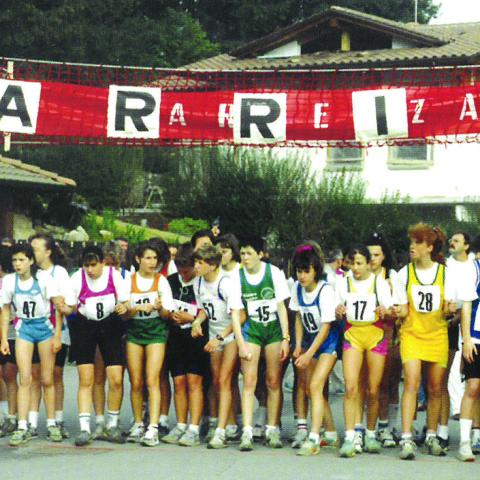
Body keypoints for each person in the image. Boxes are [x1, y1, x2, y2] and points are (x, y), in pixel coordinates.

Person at [393, 223, 456, 460]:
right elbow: (403, 309)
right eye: (411, 242)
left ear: (429, 247)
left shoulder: (445, 274)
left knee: (434, 387)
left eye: (418, 242)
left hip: (437, 335)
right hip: (411, 334)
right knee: (410, 382)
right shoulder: (403, 274)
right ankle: (407, 437)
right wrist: (395, 310)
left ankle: (431, 435)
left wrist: (450, 310)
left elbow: (449, 310)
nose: (412, 246)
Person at [0, 244, 64, 446]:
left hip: (44, 328)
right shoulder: (10, 281)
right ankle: (22, 425)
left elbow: (58, 306)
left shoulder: (43, 277)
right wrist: (3, 339)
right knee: (25, 378)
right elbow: (5, 310)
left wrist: (57, 335)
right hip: (24, 329)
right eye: (14, 260)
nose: (18, 264)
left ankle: (52, 422)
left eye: (21, 260)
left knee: (47, 378)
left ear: (30, 261)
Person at [232, 236, 290, 451]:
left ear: (260, 254)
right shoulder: (237, 277)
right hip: (252, 330)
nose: (244, 258)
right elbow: (236, 314)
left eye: (248, 253)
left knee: (273, 381)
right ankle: (247, 431)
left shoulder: (273, 273)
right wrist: (240, 343)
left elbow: (282, 307)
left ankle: (272, 428)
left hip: (273, 329)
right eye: (242, 254)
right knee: (249, 381)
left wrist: (286, 337)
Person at [335, 244, 393, 458]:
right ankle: (351, 435)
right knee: (351, 387)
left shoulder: (379, 283)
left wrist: (385, 311)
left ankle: (370, 432)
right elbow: (336, 309)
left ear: (370, 264)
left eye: (360, 263)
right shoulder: (344, 282)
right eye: (352, 263)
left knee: (373, 389)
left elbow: (390, 312)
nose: (355, 268)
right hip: (353, 336)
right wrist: (339, 310)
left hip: (375, 336)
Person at [69, 245, 130, 447]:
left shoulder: (114, 276)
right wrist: (63, 305)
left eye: (94, 265)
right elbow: (69, 305)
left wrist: (123, 307)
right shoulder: (78, 277)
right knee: (86, 378)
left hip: (110, 326)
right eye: (87, 265)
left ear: (103, 263)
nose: (90, 270)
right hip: (85, 327)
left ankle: (112, 424)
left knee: (115, 378)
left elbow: (126, 304)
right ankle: (86, 427)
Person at [289, 244, 340, 456]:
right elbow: (299, 317)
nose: (302, 276)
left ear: (316, 270)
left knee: (316, 384)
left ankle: (313, 437)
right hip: (309, 339)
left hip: (327, 341)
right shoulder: (297, 289)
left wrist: (310, 353)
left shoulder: (325, 290)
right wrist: (299, 345)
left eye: (306, 271)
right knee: (312, 389)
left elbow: (326, 326)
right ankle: (331, 433)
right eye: (299, 271)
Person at [192, 245, 243, 449]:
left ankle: (221, 430)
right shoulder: (198, 283)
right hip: (214, 334)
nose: (196, 266)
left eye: (200, 263)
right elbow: (205, 309)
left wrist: (220, 337)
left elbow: (240, 315)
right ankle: (228, 424)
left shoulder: (226, 283)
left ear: (212, 265)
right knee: (217, 381)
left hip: (229, 334)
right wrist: (197, 321)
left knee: (224, 380)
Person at [125, 242, 175, 447]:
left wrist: (160, 307)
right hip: (135, 331)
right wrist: (137, 307)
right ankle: (138, 423)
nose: (151, 262)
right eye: (147, 258)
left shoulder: (161, 281)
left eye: (154, 258)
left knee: (152, 379)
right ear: (138, 259)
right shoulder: (129, 281)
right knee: (136, 381)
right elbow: (124, 314)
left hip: (156, 332)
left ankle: (152, 427)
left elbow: (167, 314)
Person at [28, 233, 74, 439]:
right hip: (33, 333)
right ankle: (31, 421)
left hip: (57, 332)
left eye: (36, 248)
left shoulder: (60, 273)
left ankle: (57, 419)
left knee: (54, 376)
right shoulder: (29, 273)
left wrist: (60, 307)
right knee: (34, 376)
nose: (33, 252)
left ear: (48, 252)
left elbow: (66, 305)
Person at [163, 244, 208, 446]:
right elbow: (164, 308)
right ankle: (180, 424)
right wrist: (170, 315)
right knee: (179, 382)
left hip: (196, 338)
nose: (183, 273)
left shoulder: (202, 284)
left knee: (194, 382)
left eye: (187, 270)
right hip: (175, 338)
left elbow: (208, 312)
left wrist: (190, 318)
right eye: (180, 270)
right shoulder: (170, 282)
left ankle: (194, 428)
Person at [365, 233, 400, 448]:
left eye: (377, 254)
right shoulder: (357, 275)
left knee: (388, 383)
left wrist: (388, 311)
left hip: (388, 333)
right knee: (367, 384)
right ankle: (364, 426)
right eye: (369, 254)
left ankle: (387, 426)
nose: (373, 258)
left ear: (384, 256)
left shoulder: (391, 277)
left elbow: (398, 308)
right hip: (363, 334)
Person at [456, 252, 480, 461]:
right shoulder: (473, 269)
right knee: (472, 387)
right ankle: (465, 442)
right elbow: (466, 307)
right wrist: (466, 339)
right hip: (476, 338)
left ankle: (477, 435)